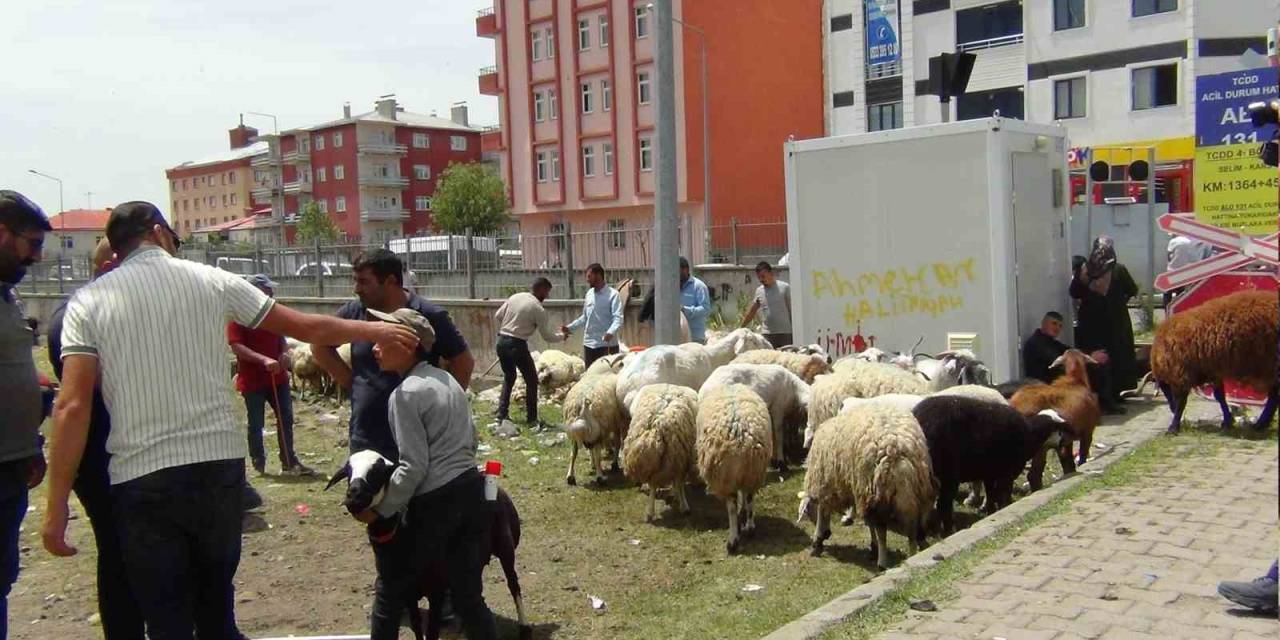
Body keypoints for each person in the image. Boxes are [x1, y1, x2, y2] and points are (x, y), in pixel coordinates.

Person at [42, 201, 417, 638]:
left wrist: (56, 506)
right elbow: (306, 327)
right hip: (216, 471)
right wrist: (376, 329)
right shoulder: (212, 280)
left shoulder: (87, 303)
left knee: (166, 617)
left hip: (142, 478)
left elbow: (71, 406)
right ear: (159, 233)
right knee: (216, 611)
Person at [354, 307, 497, 640]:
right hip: (472, 493)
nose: (375, 346)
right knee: (468, 597)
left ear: (408, 345)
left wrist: (380, 511)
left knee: (390, 590)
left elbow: (413, 466)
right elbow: (472, 440)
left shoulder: (405, 394)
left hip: (436, 503)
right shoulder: (448, 381)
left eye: (383, 338)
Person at [46, 239, 145, 639]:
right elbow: (76, 403)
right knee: (120, 557)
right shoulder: (74, 318)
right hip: (102, 461)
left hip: (131, 453)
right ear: (109, 267)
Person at [312, 248, 474, 462]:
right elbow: (319, 345)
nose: (356, 289)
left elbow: (463, 362)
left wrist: (444, 408)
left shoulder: (426, 316)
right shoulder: (355, 312)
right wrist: (353, 383)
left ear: (390, 281)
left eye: (364, 282)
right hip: (367, 436)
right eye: (355, 281)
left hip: (417, 438)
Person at [0, 190, 50, 639]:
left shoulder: (8, 295)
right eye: (31, 244)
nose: (36, 256)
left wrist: (30, 441)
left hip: (12, 464)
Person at [228, 274, 313, 477]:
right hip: (253, 380)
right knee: (256, 423)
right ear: (255, 290)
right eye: (267, 289)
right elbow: (236, 346)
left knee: (286, 418)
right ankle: (258, 461)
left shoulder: (272, 313)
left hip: (278, 378)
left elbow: (280, 337)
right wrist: (263, 360)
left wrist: (283, 353)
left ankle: (289, 460)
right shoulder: (238, 316)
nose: (271, 293)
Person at [1070, 236, 1139, 406]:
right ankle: (1113, 393)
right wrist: (1120, 301)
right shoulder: (1118, 269)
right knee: (1115, 354)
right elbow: (1132, 289)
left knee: (1099, 354)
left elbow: (1074, 292)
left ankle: (1104, 393)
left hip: (1091, 320)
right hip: (1115, 319)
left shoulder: (1085, 270)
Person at [493, 277, 564, 429]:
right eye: (546, 292)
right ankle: (532, 418)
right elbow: (547, 336)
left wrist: (511, 326)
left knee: (509, 377)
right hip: (517, 345)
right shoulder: (538, 308)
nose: (547, 296)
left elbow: (498, 315)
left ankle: (501, 414)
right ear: (540, 289)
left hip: (501, 341)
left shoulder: (516, 297)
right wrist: (562, 336)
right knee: (531, 380)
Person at [1021, 311, 1117, 411]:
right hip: (1044, 380)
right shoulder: (1036, 342)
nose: (1057, 328)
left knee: (1097, 365)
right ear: (1044, 323)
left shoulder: (1051, 342)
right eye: (1054, 323)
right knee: (1093, 369)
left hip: (1056, 375)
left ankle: (1103, 403)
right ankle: (1102, 405)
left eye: (1060, 326)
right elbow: (1058, 360)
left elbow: (1070, 350)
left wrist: (1091, 355)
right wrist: (1090, 357)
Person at [561, 263, 623, 368]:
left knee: (606, 376)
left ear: (598, 275)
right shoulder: (589, 294)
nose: (587, 280)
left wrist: (610, 332)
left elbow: (618, 318)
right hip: (589, 344)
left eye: (589, 276)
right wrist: (569, 328)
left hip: (606, 345)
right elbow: (585, 317)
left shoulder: (613, 295)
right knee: (590, 375)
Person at [740, 261, 792, 348]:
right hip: (767, 334)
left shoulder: (784, 288)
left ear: (771, 273)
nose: (761, 280)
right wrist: (741, 328)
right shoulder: (759, 291)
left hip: (785, 334)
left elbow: (792, 310)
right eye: (759, 277)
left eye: (763, 276)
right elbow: (752, 311)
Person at [1164, 235, 1211, 308]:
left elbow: (1169, 256)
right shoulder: (1197, 242)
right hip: (1189, 273)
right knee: (1183, 294)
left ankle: (1168, 310)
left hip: (1173, 271)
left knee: (1168, 292)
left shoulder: (1174, 241)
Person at [679, 257, 712, 344]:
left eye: (678, 271)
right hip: (678, 337)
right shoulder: (672, 287)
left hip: (695, 338)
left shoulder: (699, 286)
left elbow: (706, 309)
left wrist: (685, 310)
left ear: (685, 270)